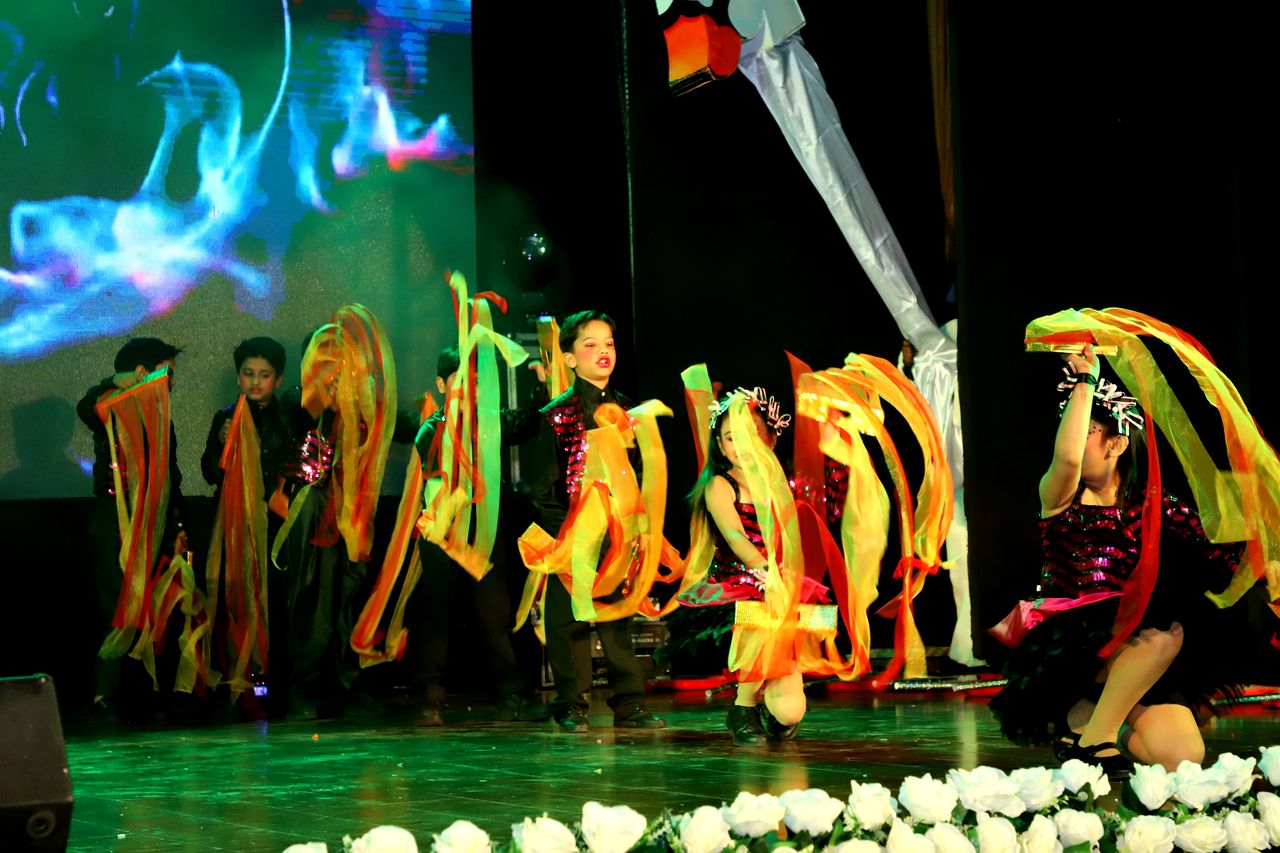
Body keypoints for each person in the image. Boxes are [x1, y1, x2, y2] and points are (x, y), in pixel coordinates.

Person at [989, 344, 1244, 774]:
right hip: (1078, 644)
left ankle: (1089, 721)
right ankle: (1096, 738)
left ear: (1117, 443)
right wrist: (1085, 381)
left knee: (1181, 756)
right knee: (1165, 633)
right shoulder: (1060, 497)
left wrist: (1265, 560)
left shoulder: (1154, 505)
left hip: (1132, 649)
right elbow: (1067, 457)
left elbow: (1218, 548)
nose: (1072, 436)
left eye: (1087, 430)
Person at [526, 310, 664, 731]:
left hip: (619, 532)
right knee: (567, 620)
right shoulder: (557, 414)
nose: (603, 352)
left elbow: (640, 473)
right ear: (569, 358)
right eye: (591, 345)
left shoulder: (628, 411)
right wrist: (566, 536)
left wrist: (636, 526)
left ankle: (630, 702)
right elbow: (544, 486)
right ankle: (571, 702)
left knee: (618, 616)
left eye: (609, 344)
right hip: (571, 534)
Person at [405, 345, 549, 726]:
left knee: (494, 612)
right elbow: (440, 484)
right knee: (436, 614)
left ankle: (512, 695)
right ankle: (430, 697)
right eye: (460, 380)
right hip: (442, 533)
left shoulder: (490, 422)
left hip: (484, 529)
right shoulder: (431, 429)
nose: (469, 388)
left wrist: (542, 388)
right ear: (441, 384)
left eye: (477, 381)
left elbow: (529, 423)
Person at [76, 337, 186, 719]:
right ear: (142, 373)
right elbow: (86, 407)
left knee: (154, 603)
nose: (172, 382)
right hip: (114, 520)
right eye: (167, 373)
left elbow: (171, 478)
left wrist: (177, 527)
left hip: (154, 522)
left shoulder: (163, 421)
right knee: (117, 604)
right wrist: (116, 381)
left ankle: (147, 692)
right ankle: (104, 693)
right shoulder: (110, 408)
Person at [199, 337, 291, 703]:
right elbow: (210, 473)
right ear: (238, 377)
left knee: (275, 597)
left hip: (275, 522)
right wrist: (224, 444)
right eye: (248, 373)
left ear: (278, 379)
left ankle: (274, 675)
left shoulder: (288, 416)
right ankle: (238, 675)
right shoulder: (225, 417)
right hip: (234, 522)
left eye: (264, 375)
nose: (255, 381)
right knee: (234, 597)